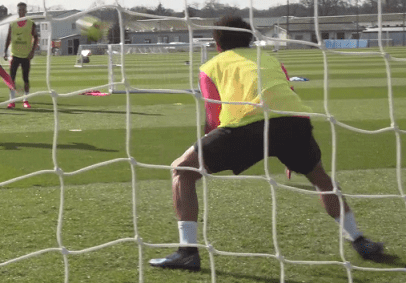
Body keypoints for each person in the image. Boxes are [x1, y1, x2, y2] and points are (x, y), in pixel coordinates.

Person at [148, 16, 384, 271]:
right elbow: (287, 94)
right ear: (249, 38)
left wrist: (206, 148)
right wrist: (289, 148)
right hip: (295, 124)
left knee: (182, 170)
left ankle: (187, 252)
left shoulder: (210, 66)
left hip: (246, 127)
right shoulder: (270, 59)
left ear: (217, 42)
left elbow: (213, 116)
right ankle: (359, 240)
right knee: (320, 178)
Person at [3, 2, 38, 109]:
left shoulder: (31, 23)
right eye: (19, 10)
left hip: (26, 56)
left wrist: (32, 52)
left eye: (23, 10)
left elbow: (36, 37)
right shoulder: (12, 23)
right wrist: (5, 51)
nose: (21, 11)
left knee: (25, 79)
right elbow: (8, 38)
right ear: (17, 11)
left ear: (26, 11)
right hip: (15, 55)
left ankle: (26, 100)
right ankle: (11, 101)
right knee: (11, 79)